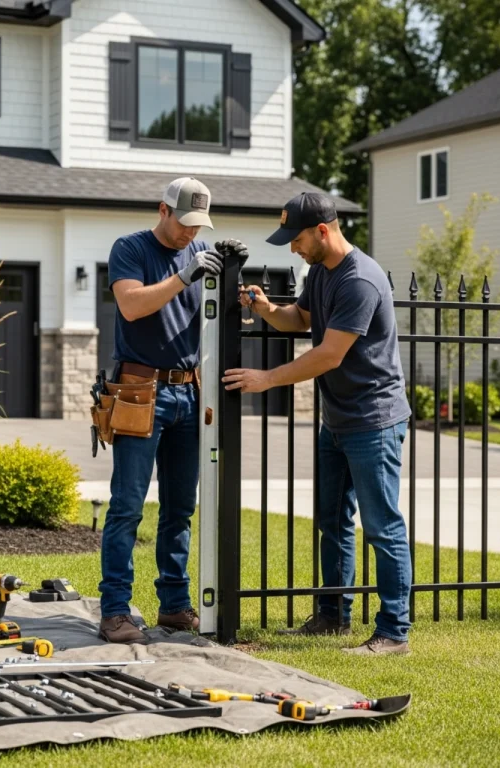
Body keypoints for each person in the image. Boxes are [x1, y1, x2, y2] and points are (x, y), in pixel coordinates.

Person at [222, 192, 412, 655]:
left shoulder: (360, 279)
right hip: (339, 420)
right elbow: (301, 319)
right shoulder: (322, 272)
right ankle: (332, 616)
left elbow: (329, 354)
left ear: (323, 231)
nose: (293, 248)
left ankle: (394, 631)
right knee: (332, 521)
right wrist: (267, 309)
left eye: (297, 239)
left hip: (374, 420)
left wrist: (267, 378)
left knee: (382, 526)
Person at [99, 177, 248, 643]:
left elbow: (223, 314)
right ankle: (115, 612)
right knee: (127, 507)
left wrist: (233, 274)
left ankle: (174, 605)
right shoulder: (130, 248)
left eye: (198, 225)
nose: (190, 233)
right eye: (184, 223)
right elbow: (131, 306)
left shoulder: (199, 251)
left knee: (180, 508)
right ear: (162, 210)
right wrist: (184, 276)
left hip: (190, 393)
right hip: (139, 391)